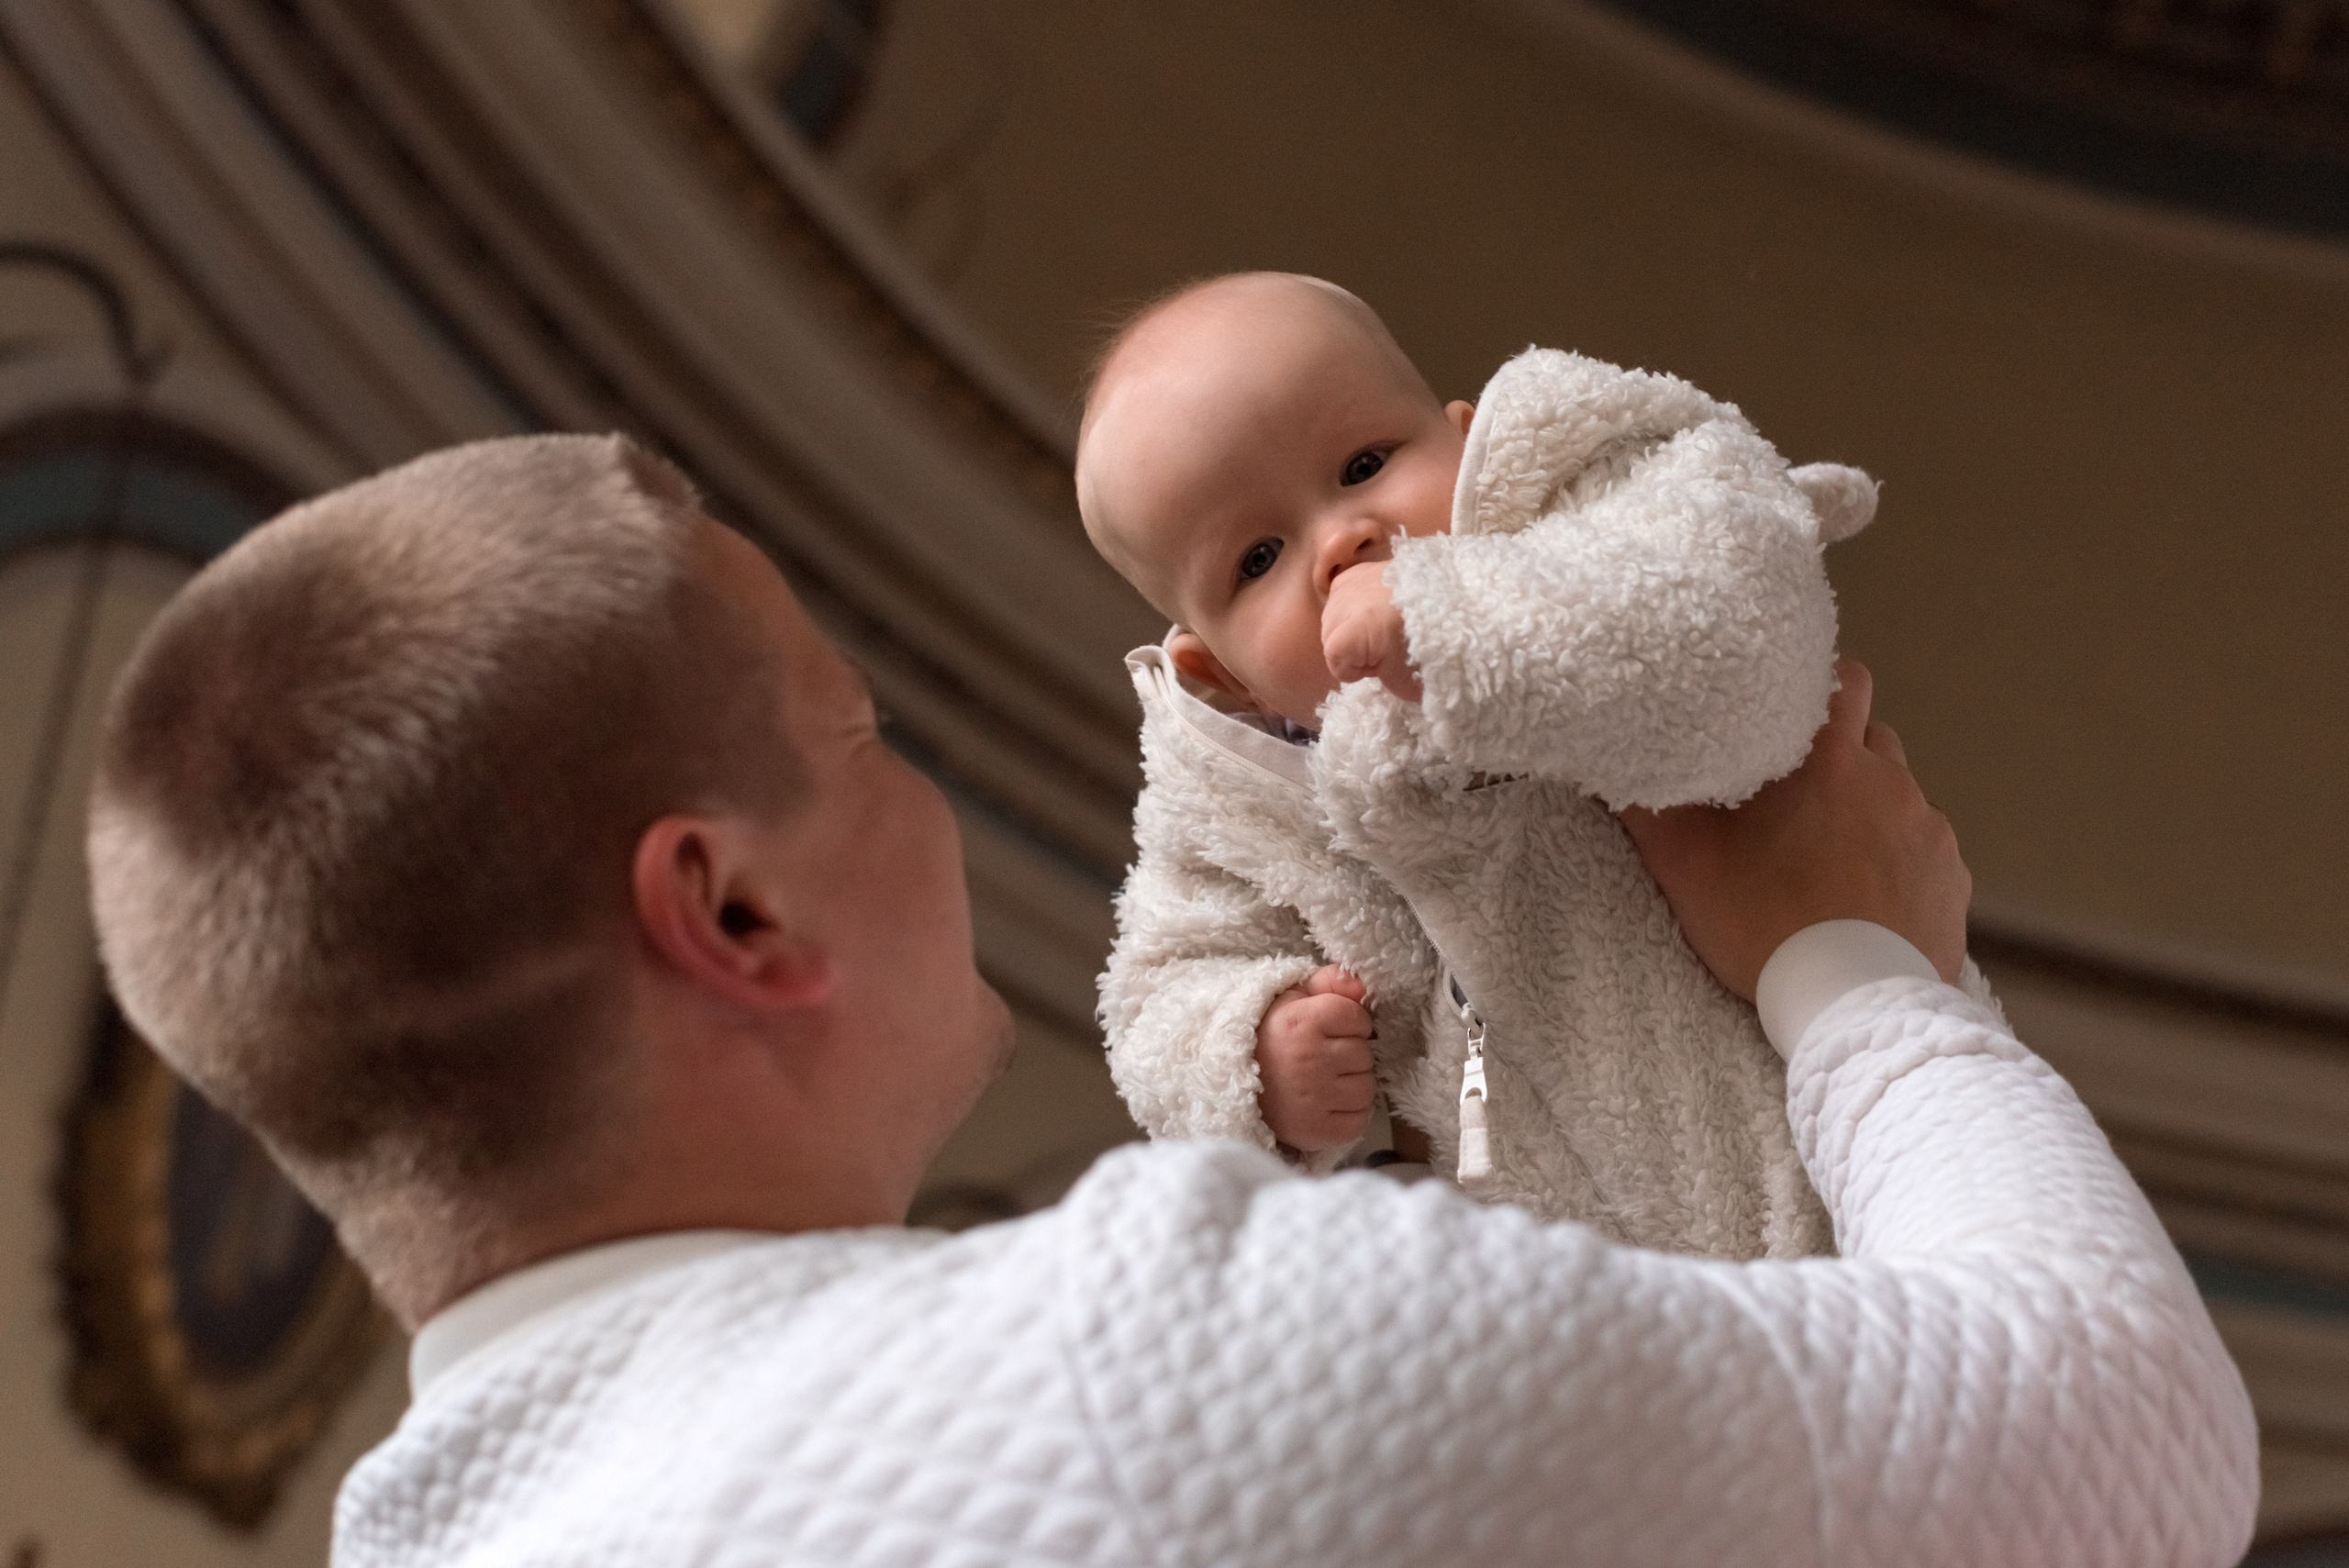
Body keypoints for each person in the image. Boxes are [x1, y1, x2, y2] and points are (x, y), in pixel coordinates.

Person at [85, 434, 2255, 1566]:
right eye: (855, 732)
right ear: (731, 912)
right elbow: (2121, 1440)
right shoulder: (1152, 1359)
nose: (918, 795)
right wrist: (1850, 955)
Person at [1078, 271, 1965, 1260]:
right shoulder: (1237, 800)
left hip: (1838, 1160)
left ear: (1469, 442)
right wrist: (1254, 1057)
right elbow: (1158, 991)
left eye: (1364, 464)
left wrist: (1456, 622)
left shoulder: (1596, 487)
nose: (1341, 540)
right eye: (1257, 558)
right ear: (1223, 674)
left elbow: (1742, 638)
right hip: (1540, 1270)